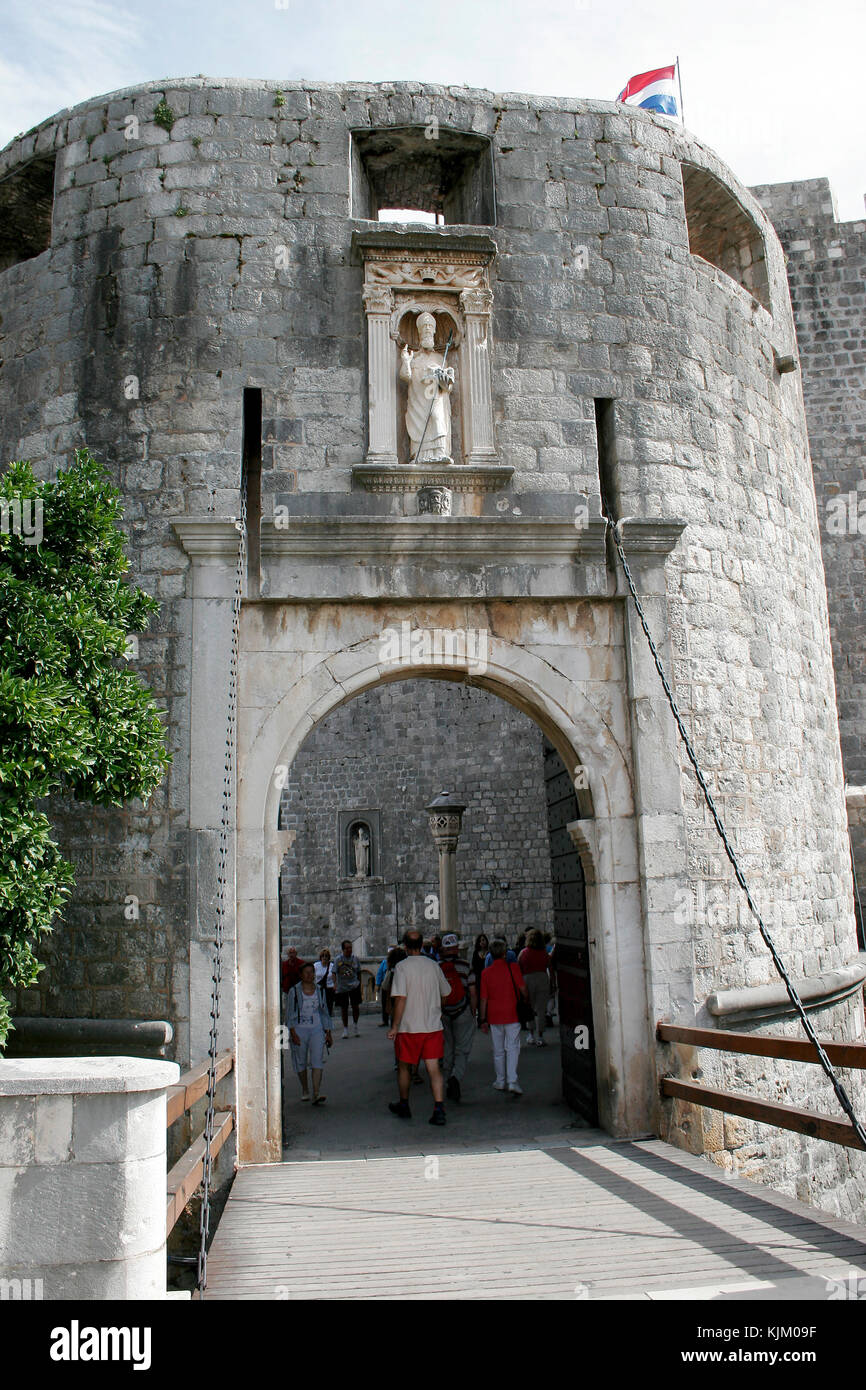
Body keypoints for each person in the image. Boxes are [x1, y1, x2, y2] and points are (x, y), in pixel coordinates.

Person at [388, 929, 451, 1125]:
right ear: (422, 944)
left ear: (405, 946)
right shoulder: (434, 966)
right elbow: (446, 993)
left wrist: (395, 1026)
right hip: (432, 1025)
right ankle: (439, 1108)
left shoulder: (402, 967)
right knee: (434, 1068)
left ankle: (405, 1104)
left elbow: (400, 999)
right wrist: (436, 1009)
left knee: (405, 1067)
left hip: (408, 1027)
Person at [479, 938, 528, 1095]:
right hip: (512, 1012)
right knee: (513, 1047)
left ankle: (500, 1080)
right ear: (505, 954)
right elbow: (523, 989)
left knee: (498, 1050)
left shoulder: (486, 973)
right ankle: (512, 1081)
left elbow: (483, 999)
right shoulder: (513, 968)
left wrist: (482, 1019)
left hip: (494, 1015)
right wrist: (527, 1001)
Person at [287, 962, 333, 1104]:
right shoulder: (294, 991)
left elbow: (324, 1012)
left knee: (317, 1059)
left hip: (317, 1028)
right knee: (300, 1061)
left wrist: (328, 1032)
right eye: (306, 972)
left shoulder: (320, 990)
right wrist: (293, 1033)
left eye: (311, 972)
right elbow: (289, 1014)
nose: (309, 975)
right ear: (301, 975)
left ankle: (316, 1093)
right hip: (300, 1028)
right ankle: (305, 1089)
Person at [438, 933, 477, 1103]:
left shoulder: (436, 967)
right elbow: (473, 992)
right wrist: (474, 1012)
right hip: (462, 1011)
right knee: (463, 1049)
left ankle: (447, 1082)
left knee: (447, 1048)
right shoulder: (465, 965)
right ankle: (456, 1077)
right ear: (456, 948)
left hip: (444, 1013)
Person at [519, 930, 553, 1045]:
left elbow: (519, 968)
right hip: (542, 978)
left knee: (530, 1008)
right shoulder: (544, 953)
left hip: (527, 979)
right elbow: (550, 967)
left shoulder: (524, 952)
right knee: (541, 1009)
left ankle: (531, 1034)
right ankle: (540, 1036)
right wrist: (553, 982)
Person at [334, 939, 362, 1038]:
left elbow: (359, 972)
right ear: (343, 949)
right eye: (347, 948)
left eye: (350, 947)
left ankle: (355, 1025)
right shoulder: (338, 959)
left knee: (355, 1006)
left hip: (354, 985)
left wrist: (359, 984)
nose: (349, 950)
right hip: (342, 987)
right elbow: (334, 972)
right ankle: (345, 1029)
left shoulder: (355, 959)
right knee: (344, 1008)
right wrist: (335, 984)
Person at [314, 949, 335, 1017]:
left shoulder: (332, 966)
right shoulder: (316, 965)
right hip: (319, 988)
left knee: (329, 1006)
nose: (324, 957)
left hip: (329, 988)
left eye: (326, 956)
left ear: (328, 957)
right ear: (320, 957)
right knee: (319, 1005)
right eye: (323, 956)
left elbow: (335, 977)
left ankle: (328, 1021)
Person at [376, 952, 390, 1026]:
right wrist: (378, 984)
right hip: (386, 984)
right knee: (384, 1003)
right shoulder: (385, 962)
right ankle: (385, 1020)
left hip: (394, 985)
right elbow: (379, 973)